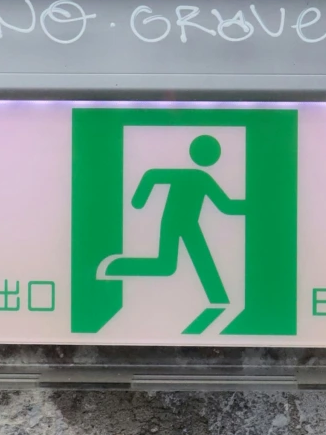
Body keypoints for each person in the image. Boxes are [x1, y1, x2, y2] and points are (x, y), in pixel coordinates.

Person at [103, 133, 245, 329]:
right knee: (167, 265)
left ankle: (219, 300)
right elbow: (226, 205)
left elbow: (225, 205)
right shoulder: (198, 177)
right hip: (174, 223)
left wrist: (139, 200)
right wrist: (139, 200)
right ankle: (117, 268)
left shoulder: (200, 178)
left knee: (173, 264)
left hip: (187, 224)